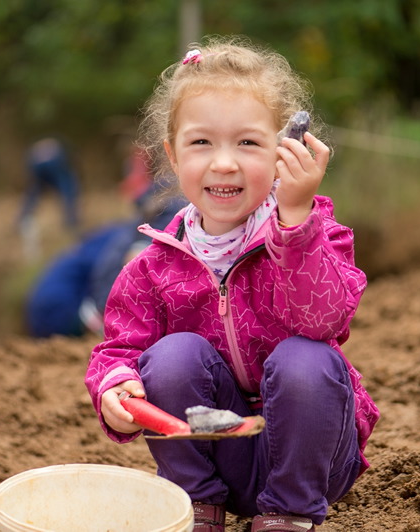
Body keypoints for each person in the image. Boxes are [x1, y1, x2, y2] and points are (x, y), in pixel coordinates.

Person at [84, 37, 379, 532]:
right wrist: (116, 391)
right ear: (173, 157)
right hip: (221, 457)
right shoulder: (151, 267)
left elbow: (324, 318)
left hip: (314, 458)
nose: (224, 163)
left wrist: (296, 220)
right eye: (202, 143)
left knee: (304, 356)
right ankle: (198, 508)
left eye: (248, 142)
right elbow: (118, 351)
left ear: (284, 150)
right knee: (171, 355)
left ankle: (288, 515)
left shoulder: (315, 231)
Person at [25, 177, 187, 338]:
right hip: (61, 307)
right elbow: (129, 263)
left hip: (41, 306)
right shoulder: (165, 216)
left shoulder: (120, 231)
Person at [17, 137, 80, 235]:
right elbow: (69, 167)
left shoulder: (41, 144)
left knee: (33, 194)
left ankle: (21, 221)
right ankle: (71, 223)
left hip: (34, 159)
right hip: (55, 158)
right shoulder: (65, 147)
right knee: (68, 189)